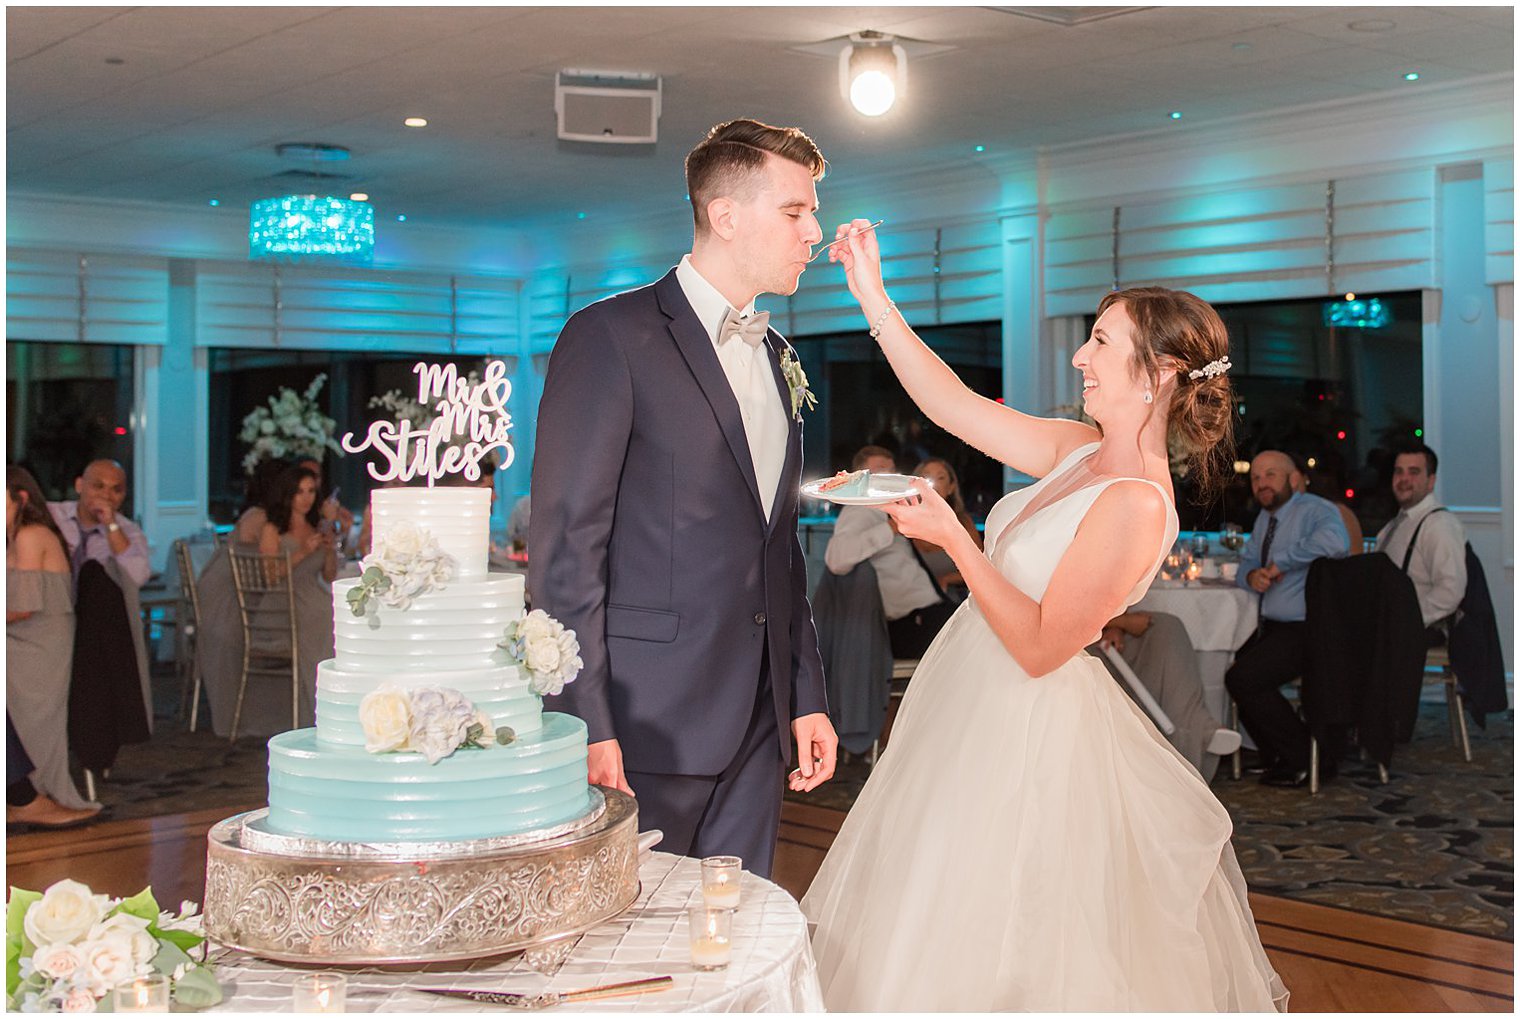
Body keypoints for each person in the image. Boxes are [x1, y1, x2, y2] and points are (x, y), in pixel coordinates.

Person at [802, 220, 1286, 1010]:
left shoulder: (1136, 504)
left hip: (1027, 731)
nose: (1079, 357)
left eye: (1099, 341)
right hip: (970, 702)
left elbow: (1037, 647)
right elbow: (954, 405)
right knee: (928, 912)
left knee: (1004, 936)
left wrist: (955, 536)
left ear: (1158, 372)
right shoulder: (1078, 450)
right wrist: (874, 297)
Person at [530, 118, 838, 879]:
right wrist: (582, 719)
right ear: (725, 215)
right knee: (625, 950)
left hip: (760, 722)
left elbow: (780, 549)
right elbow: (567, 548)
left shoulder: (779, 355)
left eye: (813, 212)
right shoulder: (610, 337)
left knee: (733, 942)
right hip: (643, 724)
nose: (815, 231)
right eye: (796, 212)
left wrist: (805, 693)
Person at [1225, 450, 1350, 787]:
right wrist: (1251, 577)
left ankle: (1308, 757)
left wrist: (1282, 563)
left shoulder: (1315, 510)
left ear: (1293, 479)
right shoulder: (1266, 519)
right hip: (1274, 627)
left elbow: (1336, 542)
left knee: (1244, 679)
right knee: (1234, 667)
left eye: (1270, 475)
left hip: (1307, 628)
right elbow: (1247, 563)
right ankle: (1278, 756)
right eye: (1255, 478)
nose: (1262, 484)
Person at [7, 466, 100, 823]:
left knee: (29, 714)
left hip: (38, 640)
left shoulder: (31, 535)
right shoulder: (11, 535)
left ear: (22, 498)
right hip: (17, 636)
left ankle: (30, 793)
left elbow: (23, 608)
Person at [48, 459, 153, 740]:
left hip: (92, 631)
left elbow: (139, 575)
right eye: (98, 486)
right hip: (49, 616)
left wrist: (111, 527)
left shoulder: (127, 531)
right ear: (80, 485)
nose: (106, 495)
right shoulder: (52, 516)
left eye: (115, 490)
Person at [825, 446, 956, 658]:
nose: (889, 475)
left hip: (929, 611)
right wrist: (890, 528)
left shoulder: (891, 508)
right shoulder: (859, 510)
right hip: (910, 621)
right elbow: (836, 559)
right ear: (861, 477)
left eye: (891, 469)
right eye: (880, 470)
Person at [1090, 610, 1241, 781]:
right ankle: (1198, 735)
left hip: (1100, 626)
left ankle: (1192, 727)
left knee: (1166, 626)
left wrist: (1113, 625)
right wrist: (1122, 622)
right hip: (1073, 645)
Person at [196, 456, 288, 737]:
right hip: (232, 595)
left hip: (239, 590)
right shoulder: (260, 518)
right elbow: (270, 574)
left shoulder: (260, 514)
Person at [252, 465, 337, 731]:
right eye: (299, 491)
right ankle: (319, 708)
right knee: (323, 616)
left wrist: (330, 544)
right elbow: (270, 577)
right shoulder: (273, 528)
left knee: (335, 614)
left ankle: (332, 701)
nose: (306, 498)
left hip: (312, 594)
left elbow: (329, 574)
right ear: (288, 494)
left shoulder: (316, 526)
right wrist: (302, 551)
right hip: (282, 601)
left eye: (311, 491)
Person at [1373, 443, 1465, 644]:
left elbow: (1451, 590)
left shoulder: (1438, 525)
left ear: (1431, 481)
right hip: (1388, 626)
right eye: (1399, 472)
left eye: (1414, 472)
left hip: (1414, 630)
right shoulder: (1397, 523)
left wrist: (1406, 619)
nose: (1404, 479)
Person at [911, 456, 982, 597]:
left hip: (951, 601)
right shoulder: (901, 521)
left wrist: (947, 579)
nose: (933, 484)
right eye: (925, 477)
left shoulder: (962, 522)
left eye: (941, 478)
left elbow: (981, 568)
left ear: (951, 488)